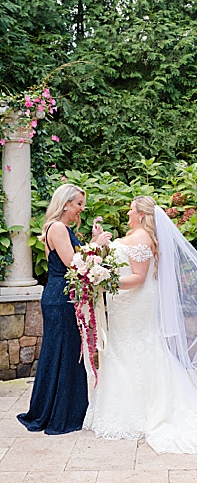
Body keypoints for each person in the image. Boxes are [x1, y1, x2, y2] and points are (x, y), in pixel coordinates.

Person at [83, 196, 197, 455]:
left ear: (141, 214)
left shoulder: (142, 239)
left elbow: (138, 277)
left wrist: (106, 281)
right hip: (124, 304)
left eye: (131, 210)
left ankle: (139, 409)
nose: (127, 213)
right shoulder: (136, 235)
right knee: (125, 350)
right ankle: (123, 404)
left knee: (137, 348)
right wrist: (98, 248)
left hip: (134, 302)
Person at [18, 184, 111, 434]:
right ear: (66, 203)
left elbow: (75, 259)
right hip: (60, 298)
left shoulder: (59, 227)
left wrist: (92, 243)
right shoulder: (58, 227)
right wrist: (96, 244)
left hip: (61, 295)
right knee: (63, 352)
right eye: (79, 203)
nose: (81, 209)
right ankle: (59, 414)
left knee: (64, 352)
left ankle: (58, 410)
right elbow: (73, 264)